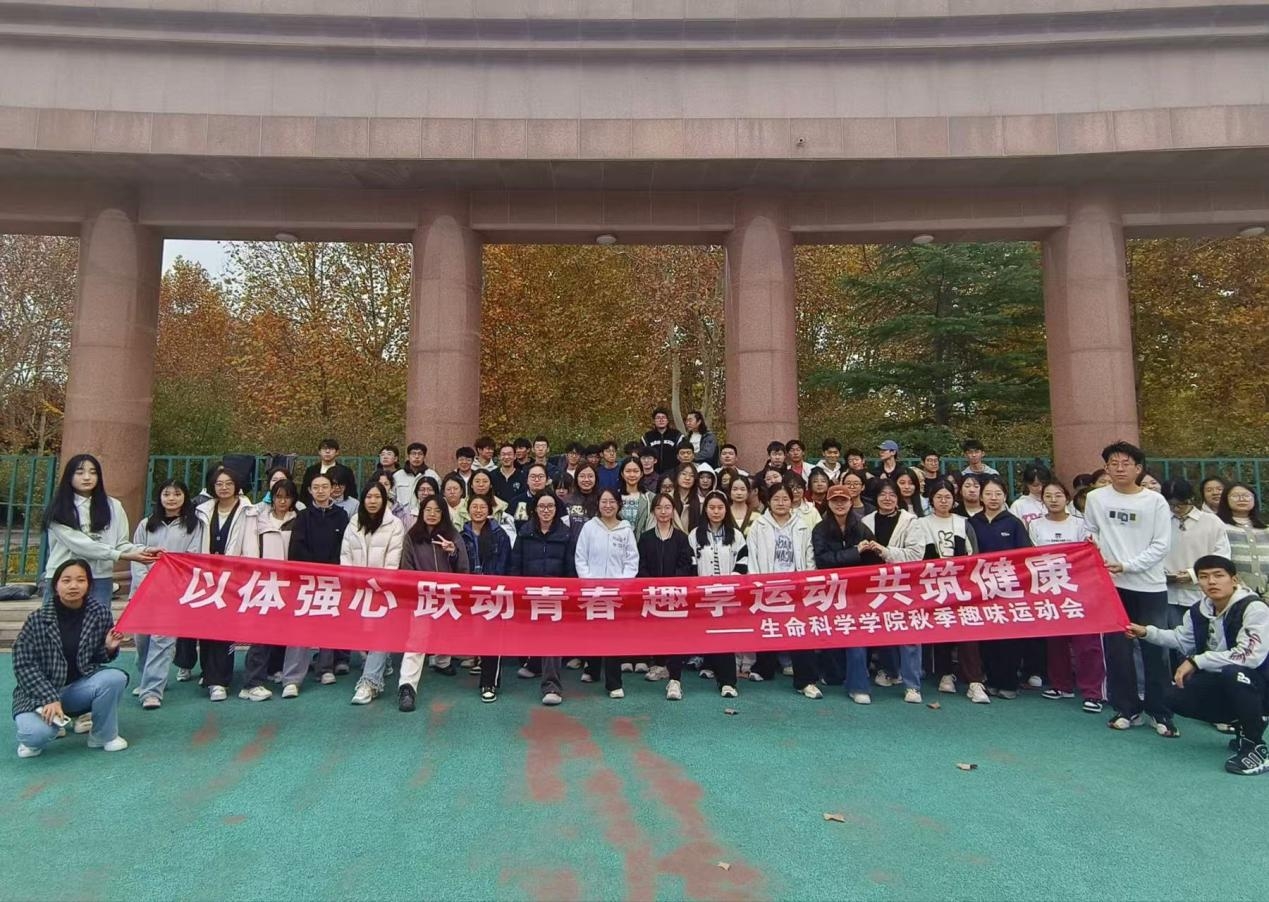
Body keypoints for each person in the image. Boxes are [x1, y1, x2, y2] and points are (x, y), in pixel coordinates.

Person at [1127, 555, 1269, 775]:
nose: (1211, 581)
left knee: (1234, 673)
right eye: (1204, 577)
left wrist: (1197, 661)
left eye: (1218, 575)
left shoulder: (1255, 608)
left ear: (1234, 580)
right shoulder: (1199, 610)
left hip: (1260, 680)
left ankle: (1256, 745)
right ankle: (1245, 722)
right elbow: (1181, 639)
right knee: (1172, 696)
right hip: (1229, 681)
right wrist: (1146, 632)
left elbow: (1249, 657)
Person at [1084, 441, 1176, 737]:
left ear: (1139, 468)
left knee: (1155, 649)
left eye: (1126, 464)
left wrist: (1127, 565)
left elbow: (1161, 544)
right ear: (1106, 468)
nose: (1119, 469)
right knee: (1117, 651)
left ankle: (1160, 712)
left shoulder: (1154, 501)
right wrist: (1094, 549)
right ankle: (1126, 709)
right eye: (1114, 464)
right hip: (1111, 587)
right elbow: (1090, 531)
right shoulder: (1096, 498)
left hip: (1149, 585)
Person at [13, 560, 129, 758]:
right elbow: (23, 665)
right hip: (38, 694)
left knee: (114, 678)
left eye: (80, 580)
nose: (73, 586)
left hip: (76, 690)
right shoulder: (37, 619)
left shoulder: (99, 613)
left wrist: (109, 647)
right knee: (35, 735)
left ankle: (103, 736)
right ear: (55, 585)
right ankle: (46, 729)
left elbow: (95, 659)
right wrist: (49, 698)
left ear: (89, 585)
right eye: (66, 580)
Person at [811, 485, 907, 704]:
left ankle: (859, 686)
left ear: (851, 502)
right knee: (831, 635)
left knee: (857, 636)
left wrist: (872, 551)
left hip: (858, 593)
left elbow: (873, 563)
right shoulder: (820, 529)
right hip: (830, 592)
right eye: (835, 501)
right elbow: (823, 560)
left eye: (843, 500)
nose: (840, 504)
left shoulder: (862, 528)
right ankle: (834, 675)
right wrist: (854, 552)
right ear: (828, 503)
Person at [1029, 480, 1104, 713]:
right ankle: (1061, 685)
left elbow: (1089, 553)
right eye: (1048, 496)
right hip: (1049, 588)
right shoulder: (1035, 525)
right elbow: (1032, 555)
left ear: (1067, 498)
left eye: (1058, 495)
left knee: (1086, 643)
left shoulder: (1081, 524)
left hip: (1079, 588)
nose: (1053, 500)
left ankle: (1092, 692)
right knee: (1055, 641)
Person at [45, 453, 157, 607]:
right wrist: (120, 555)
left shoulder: (113, 506)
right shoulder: (59, 509)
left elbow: (120, 544)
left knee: (99, 621)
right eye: (80, 473)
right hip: (64, 576)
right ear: (69, 476)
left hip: (100, 578)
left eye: (93, 472)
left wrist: (145, 551)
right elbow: (81, 545)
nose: (87, 477)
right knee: (57, 621)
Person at [129, 480, 202, 710]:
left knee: (162, 640)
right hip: (144, 592)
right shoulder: (146, 524)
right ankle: (147, 677)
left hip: (172, 592)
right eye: (167, 494)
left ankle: (152, 691)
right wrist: (146, 584)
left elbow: (192, 557)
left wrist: (172, 586)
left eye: (177, 494)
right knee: (142, 640)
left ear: (185, 497)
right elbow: (136, 554)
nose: (171, 498)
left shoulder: (194, 526)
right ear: (159, 497)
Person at [180, 466, 251, 702]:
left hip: (233, 579)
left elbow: (251, 547)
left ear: (237, 486)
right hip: (206, 578)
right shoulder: (202, 510)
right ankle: (207, 673)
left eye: (229, 483)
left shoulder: (248, 511)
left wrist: (246, 575)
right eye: (219, 483)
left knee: (224, 629)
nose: (224, 487)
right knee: (206, 628)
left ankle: (220, 680)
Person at [918, 480, 989, 704]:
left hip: (961, 586)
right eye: (939, 497)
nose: (943, 501)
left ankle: (974, 681)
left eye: (947, 497)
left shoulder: (963, 523)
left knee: (967, 632)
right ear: (931, 500)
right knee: (942, 629)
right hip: (932, 586)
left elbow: (973, 554)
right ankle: (945, 674)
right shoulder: (921, 523)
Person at [397, 497, 470, 712]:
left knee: (446, 630)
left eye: (437, 510)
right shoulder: (412, 537)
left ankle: (442, 661)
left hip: (447, 595)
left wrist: (453, 552)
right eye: (428, 510)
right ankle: (407, 686)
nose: (432, 514)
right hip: (423, 596)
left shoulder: (453, 535)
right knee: (417, 640)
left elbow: (463, 568)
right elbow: (406, 568)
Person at [747, 484, 819, 698]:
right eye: (776, 499)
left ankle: (805, 681)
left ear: (791, 501)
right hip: (768, 585)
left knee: (799, 631)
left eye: (785, 499)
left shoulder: (802, 525)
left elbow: (809, 556)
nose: (781, 503)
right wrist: (757, 583)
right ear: (769, 501)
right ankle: (763, 668)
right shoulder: (759, 525)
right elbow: (753, 556)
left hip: (796, 587)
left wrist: (807, 581)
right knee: (768, 627)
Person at [969, 476, 1035, 699]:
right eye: (988, 494)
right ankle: (992, 679)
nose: (993, 498)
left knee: (1009, 636)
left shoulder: (1014, 523)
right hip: (981, 587)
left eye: (998, 494)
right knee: (987, 635)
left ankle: (1009, 682)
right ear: (981, 497)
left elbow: (1026, 554)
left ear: (1005, 496)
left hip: (1009, 587)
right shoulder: (973, 522)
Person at [237, 478, 302, 702]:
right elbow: (250, 550)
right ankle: (251, 683)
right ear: (271, 498)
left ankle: (275, 670)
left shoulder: (299, 520)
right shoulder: (259, 520)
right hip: (265, 584)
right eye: (278, 497)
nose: (282, 501)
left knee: (285, 631)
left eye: (287, 497)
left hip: (291, 585)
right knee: (261, 633)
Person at [343, 483, 406, 706]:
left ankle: (369, 683)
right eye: (368, 497)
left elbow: (393, 559)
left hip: (383, 590)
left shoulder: (395, 524)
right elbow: (345, 555)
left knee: (380, 631)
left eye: (377, 497)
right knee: (363, 633)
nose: (372, 501)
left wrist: (379, 585)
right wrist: (352, 582)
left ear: (384, 500)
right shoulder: (354, 522)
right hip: (358, 589)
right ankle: (384, 663)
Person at [574, 488, 640, 699]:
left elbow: (632, 560)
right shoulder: (589, 527)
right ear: (598, 504)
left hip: (616, 593)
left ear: (619, 505)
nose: (608, 505)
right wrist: (589, 583)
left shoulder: (626, 530)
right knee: (593, 632)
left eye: (612, 502)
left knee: (614, 636)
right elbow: (580, 558)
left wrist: (622, 585)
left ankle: (614, 683)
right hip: (592, 591)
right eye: (604, 501)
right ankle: (592, 669)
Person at [287, 471, 351, 690]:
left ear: (332, 489)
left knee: (329, 623)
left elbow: (344, 545)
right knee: (301, 625)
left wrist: (331, 569)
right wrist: (312, 569)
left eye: (325, 487)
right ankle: (293, 677)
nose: (321, 491)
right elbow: (297, 546)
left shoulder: (341, 515)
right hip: (306, 578)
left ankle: (325, 668)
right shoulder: (303, 516)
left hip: (332, 578)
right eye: (316, 487)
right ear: (309, 490)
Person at [511, 493, 576, 706]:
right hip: (530, 593)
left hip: (556, 596)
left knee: (551, 637)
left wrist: (568, 593)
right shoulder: (525, 532)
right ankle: (535, 664)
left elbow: (571, 568)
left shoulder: (566, 534)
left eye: (550, 506)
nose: (546, 510)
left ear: (556, 509)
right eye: (541, 506)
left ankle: (552, 687)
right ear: (535, 509)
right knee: (533, 633)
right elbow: (516, 564)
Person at [684, 491, 746, 698]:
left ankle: (728, 682)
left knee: (725, 636)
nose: (716, 512)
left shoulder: (736, 535)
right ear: (705, 510)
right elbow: (691, 564)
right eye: (712, 508)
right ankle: (709, 665)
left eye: (720, 507)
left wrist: (730, 584)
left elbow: (743, 563)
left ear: (726, 510)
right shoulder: (695, 535)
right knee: (708, 633)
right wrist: (698, 588)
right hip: (703, 595)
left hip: (728, 594)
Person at [638, 494, 696, 699]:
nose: (663, 512)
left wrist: (671, 585)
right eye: (659, 508)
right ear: (653, 511)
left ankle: (675, 680)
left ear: (673, 511)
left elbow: (686, 565)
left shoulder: (681, 538)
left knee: (676, 634)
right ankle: (661, 665)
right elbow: (641, 565)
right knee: (657, 632)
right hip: (653, 595)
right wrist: (653, 585)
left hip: (675, 595)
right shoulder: (645, 538)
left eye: (667, 507)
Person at [1162, 479, 1232, 640]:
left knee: (1204, 639)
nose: (1176, 508)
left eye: (1181, 504)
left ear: (1191, 499)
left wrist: (1193, 574)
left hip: (1202, 593)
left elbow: (1222, 555)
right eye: (1171, 505)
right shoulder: (1160, 521)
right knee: (1175, 640)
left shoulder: (1211, 522)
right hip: (1169, 593)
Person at [460, 495, 513, 703]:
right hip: (469, 593)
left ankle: (488, 682)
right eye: (474, 506)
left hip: (493, 592)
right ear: (468, 510)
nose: (478, 510)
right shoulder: (461, 535)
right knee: (476, 634)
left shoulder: (500, 535)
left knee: (492, 636)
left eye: (482, 507)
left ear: (489, 510)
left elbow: (506, 563)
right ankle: (478, 661)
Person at [1217, 483, 1268, 596]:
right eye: (1235, 496)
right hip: (1233, 592)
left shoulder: (1265, 530)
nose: (1242, 499)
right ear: (1225, 499)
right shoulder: (1220, 527)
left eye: (1247, 496)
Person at [300, 438, 356, 506]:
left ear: (337, 452)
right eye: (324, 449)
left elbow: (352, 491)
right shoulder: (311, 470)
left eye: (331, 449)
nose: (327, 451)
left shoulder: (346, 471)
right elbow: (304, 492)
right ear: (319, 452)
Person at [1009, 462, 1052, 527]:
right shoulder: (1018, 505)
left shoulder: (1055, 501)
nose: (1040, 488)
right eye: (1035, 485)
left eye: (1044, 484)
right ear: (1027, 484)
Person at [642, 407, 683, 475]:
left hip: (672, 474)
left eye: (663, 417)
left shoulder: (677, 435)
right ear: (654, 421)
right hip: (652, 474)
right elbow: (642, 455)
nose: (661, 420)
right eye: (658, 418)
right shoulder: (647, 437)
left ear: (667, 420)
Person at [671, 462, 702, 533]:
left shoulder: (700, 502)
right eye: (684, 474)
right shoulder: (667, 498)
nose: (687, 478)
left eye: (692, 475)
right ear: (677, 476)